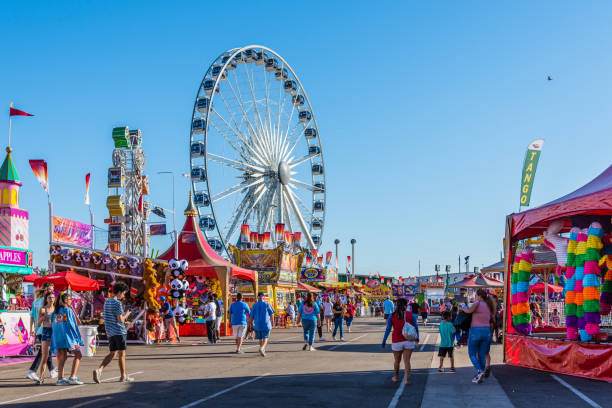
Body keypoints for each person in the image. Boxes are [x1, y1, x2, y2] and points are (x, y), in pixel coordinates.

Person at [94, 282, 133, 383]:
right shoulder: (117, 303)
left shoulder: (107, 302)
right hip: (119, 331)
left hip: (110, 332)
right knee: (122, 354)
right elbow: (120, 319)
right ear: (119, 292)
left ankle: (99, 370)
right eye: (123, 293)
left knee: (112, 353)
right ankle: (123, 376)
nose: (124, 296)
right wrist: (128, 313)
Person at [381, 298, 419, 385]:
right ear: (406, 306)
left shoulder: (392, 316)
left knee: (397, 361)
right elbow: (416, 327)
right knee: (407, 361)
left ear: (396, 305)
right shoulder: (410, 315)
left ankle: (396, 377)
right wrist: (417, 339)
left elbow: (388, 329)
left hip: (396, 341)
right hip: (408, 340)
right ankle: (406, 380)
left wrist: (384, 341)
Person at [461, 288, 494, 384]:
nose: (475, 298)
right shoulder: (489, 305)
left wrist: (462, 307)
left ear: (479, 296)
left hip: (476, 330)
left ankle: (480, 371)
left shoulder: (477, 303)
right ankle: (480, 374)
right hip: (487, 331)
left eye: (476, 296)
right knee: (482, 354)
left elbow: (468, 311)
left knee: (472, 353)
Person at [51, 291, 84, 385]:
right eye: (70, 299)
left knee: (62, 357)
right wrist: (77, 337)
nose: (71, 301)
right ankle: (72, 376)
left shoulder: (55, 312)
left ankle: (60, 378)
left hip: (58, 338)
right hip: (69, 338)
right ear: (65, 300)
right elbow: (72, 325)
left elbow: (55, 325)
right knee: (78, 355)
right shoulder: (68, 310)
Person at [27, 283, 57, 382]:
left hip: (38, 329)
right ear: (45, 291)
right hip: (44, 329)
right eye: (50, 290)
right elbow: (43, 315)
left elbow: (32, 316)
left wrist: (31, 328)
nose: (51, 292)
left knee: (46, 352)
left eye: (52, 291)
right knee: (43, 352)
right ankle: (32, 370)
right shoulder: (43, 303)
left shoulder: (35, 301)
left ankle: (52, 370)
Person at [35, 291, 56, 384]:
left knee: (60, 355)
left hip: (56, 332)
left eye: (52, 297)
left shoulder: (57, 309)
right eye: (49, 298)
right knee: (44, 356)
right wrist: (43, 317)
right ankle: (41, 377)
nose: (51, 299)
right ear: (46, 299)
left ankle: (60, 377)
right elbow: (38, 324)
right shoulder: (43, 309)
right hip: (46, 331)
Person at [249, 292, 274, 356]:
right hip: (266, 324)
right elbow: (271, 314)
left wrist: (251, 324)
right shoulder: (267, 304)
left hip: (257, 324)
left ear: (258, 297)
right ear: (264, 297)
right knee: (265, 338)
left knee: (260, 338)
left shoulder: (255, 305)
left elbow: (251, 316)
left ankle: (262, 350)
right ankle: (262, 348)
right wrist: (272, 322)